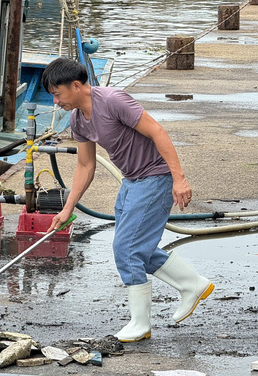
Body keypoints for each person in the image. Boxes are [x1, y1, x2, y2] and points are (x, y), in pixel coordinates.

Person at [42, 58, 214, 342]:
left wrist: (179, 178)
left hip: (156, 177)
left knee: (127, 248)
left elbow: (157, 131)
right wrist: (67, 209)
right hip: (132, 181)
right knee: (138, 249)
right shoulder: (77, 120)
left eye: (57, 94)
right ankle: (192, 284)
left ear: (76, 86)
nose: (55, 101)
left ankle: (140, 324)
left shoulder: (113, 100)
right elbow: (85, 166)